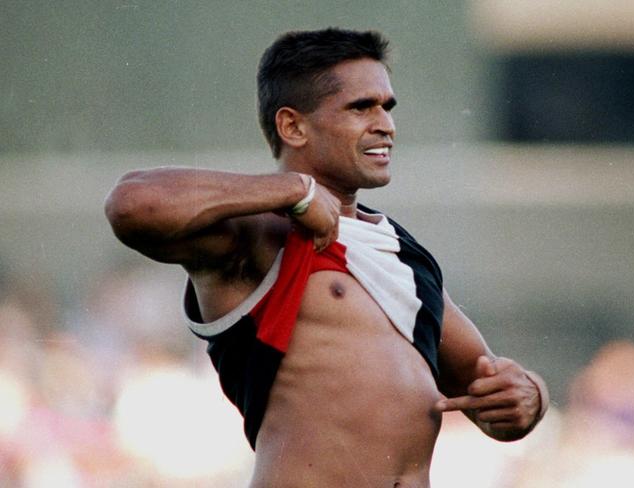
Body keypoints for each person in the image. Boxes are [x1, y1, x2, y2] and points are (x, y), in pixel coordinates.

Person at [105, 28, 549, 488]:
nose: (386, 125)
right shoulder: (261, 234)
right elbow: (133, 204)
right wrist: (296, 191)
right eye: (362, 107)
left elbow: (487, 391)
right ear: (292, 126)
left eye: (387, 107)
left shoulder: (402, 254)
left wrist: (529, 396)